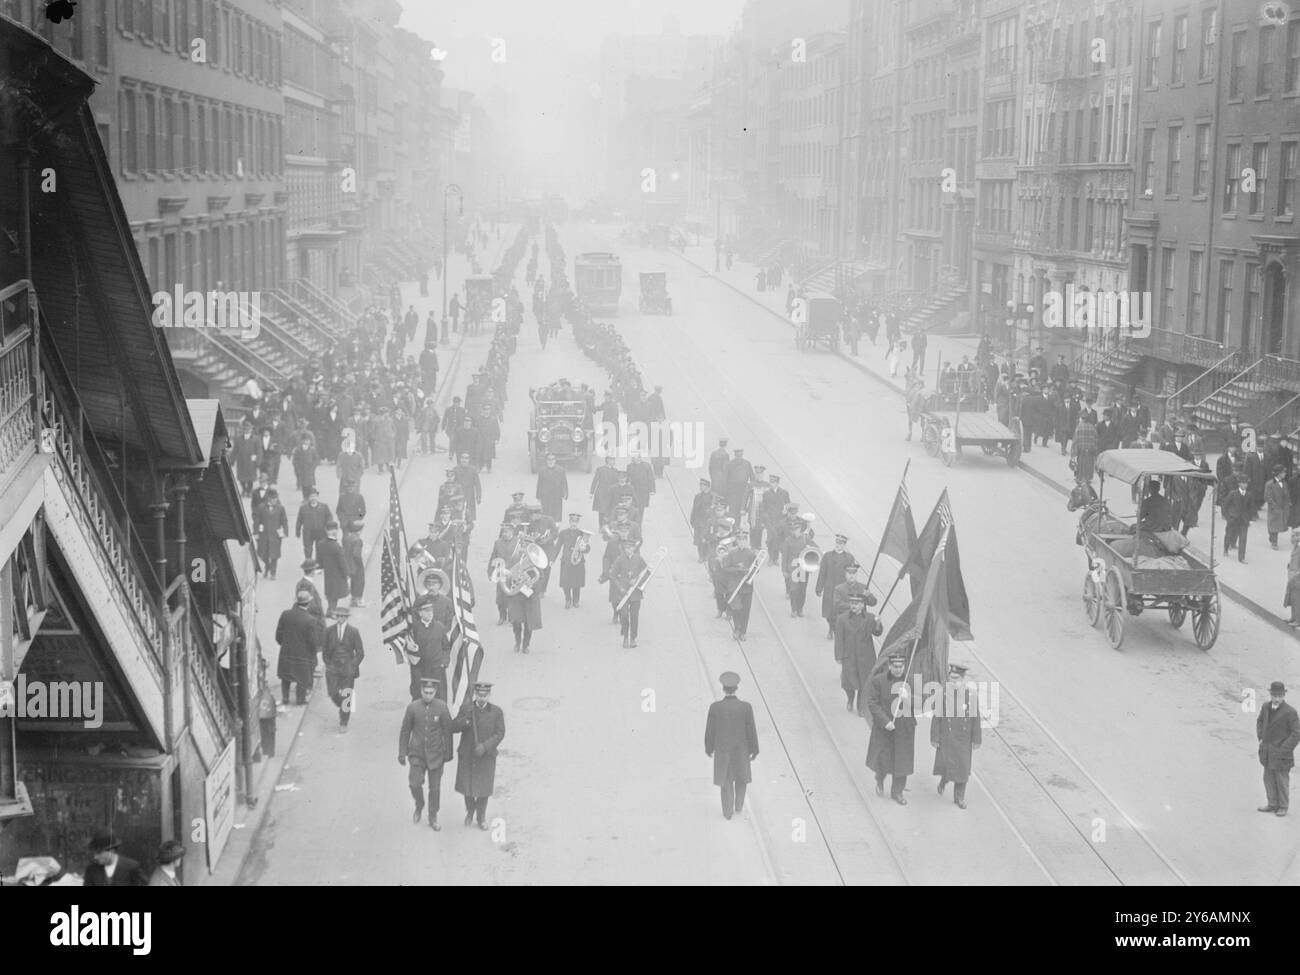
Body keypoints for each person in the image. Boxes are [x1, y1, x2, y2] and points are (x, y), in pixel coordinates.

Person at [398, 678, 455, 829]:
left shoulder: (441, 707)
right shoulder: (412, 708)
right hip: (417, 754)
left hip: (436, 755)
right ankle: (419, 803)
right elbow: (405, 731)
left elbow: (447, 731)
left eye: (431, 693)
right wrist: (402, 752)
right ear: (421, 691)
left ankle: (433, 816)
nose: (428, 695)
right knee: (414, 783)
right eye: (425, 692)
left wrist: (448, 753)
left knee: (435, 789)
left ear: (435, 692)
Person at [704, 671, 759, 820]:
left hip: (723, 751)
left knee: (726, 780)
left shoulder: (715, 707)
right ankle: (739, 806)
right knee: (741, 778)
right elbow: (751, 729)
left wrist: (709, 748)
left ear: (723, 688)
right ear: (736, 688)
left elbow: (710, 730)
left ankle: (727, 812)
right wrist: (754, 749)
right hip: (741, 750)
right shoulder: (746, 707)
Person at [452, 682, 505, 830]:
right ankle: (470, 811)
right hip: (468, 754)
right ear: (475, 694)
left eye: (484, 695)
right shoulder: (467, 709)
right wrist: (465, 721)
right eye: (479, 695)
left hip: (486, 756)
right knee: (467, 786)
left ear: (489, 695)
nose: (481, 698)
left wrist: (485, 746)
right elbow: (453, 727)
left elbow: (500, 733)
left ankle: (481, 816)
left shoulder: (496, 712)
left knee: (483, 788)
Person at [865, 651, 916, 804]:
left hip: (904, 729)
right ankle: (880, 780)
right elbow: (873, 703)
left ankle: (898, 792)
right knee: (883, 758)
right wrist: (885, 721)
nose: (898, 669)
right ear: (889, 665)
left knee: (902, 761)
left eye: (901, 666)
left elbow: (923, 703)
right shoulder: (878, 681)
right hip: (884, 727)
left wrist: (909, 697)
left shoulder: (911, 681)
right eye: (895, 666)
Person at [932, 663, 982, 809]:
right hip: (947, 737)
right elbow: (937, 717)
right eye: (951, 678)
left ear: (963, 679)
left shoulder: (970, 696)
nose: (954, 682)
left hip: (963, 739)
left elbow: (975, 718)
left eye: (957, 678)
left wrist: (976, 739)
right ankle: (944, 780)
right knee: (948, 764)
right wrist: (935, 738)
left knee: (963, 768)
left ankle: (959, 797)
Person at [834, 592, 882, 714]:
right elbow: (839, 639)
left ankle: (861, 707)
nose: (853, 605)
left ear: (862, 605)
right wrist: (839, 656)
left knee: (864, 683)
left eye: (856, 603)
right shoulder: (842, 619)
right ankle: (850, 699)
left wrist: (878, 624)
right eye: (852, 603)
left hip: (865, 657)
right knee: (848, 683)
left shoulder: (870, 618)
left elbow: (877, 632)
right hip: (849, 656)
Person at [1257, 681, 1300, 816]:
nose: (1277, 699)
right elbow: (1260, 721)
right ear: (1270, 694)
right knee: (1268, 778)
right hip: (1267, 752)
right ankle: (1272, 804)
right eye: (1274, 695)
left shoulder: (1290, 712)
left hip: (1282, 754)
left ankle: (1283, 806)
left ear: (1284, 695)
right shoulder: (1265, 707)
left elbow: (1296, 733)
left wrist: (1284, 749)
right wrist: (1261, 737)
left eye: (1280, 696)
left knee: (1281, 780)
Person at [276, 590, 323, 705]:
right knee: (302, 678)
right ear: (308, 603)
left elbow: (278, 635)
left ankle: (285, 698)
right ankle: (300, 699)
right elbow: (313, 641)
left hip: (286, 652)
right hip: (303, 654)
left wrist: (284, 644)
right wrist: (313, 651)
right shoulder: (310, 620)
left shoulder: (285, 614)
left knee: (285, 677)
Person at [322, 606, 364, 729]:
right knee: (332, 693)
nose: (340, 618)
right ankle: (344, 705)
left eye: (342, 616)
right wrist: (328, 664)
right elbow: (324, 650)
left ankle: (344, 722)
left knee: (347, 694)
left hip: (347, 668)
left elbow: (360, 652)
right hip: (333, 667)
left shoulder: (353, 631)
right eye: (338, 616)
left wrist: (352, 665)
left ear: (346, 618)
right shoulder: (329, 631)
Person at [816, 533, 856, 639]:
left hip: (843, 589)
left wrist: (852, 589)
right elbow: (822, 572)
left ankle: (836, 631)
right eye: (837, 542)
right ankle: (830, 629)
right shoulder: (827, 556)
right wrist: (819, 588)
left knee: (840, 611)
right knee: (829, 612)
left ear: (844, 545)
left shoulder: (849, 558)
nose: (838, 545)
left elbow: (852, 574)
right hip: (830, 588)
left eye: (841, 543)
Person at [611, 537, 648, 648]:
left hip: (636, 593)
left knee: (634, 616)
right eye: (626, 548)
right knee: (624, 615)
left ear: (634, 548)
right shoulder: (619, 559)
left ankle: (633, 638)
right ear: (624, 548)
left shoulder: (639, 559)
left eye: (631, 547)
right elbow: (613, 576)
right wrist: (620, 587)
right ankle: (625, 637)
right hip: (623, 593)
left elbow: (646, 573)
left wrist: (637, 580)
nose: (629, 550)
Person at [83, 829, 148, 886]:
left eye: (99, 853)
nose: (95, 857)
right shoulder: (91, 870)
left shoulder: (132, 867)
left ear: (111, 851)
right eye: (94, 853)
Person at [555, 513, 589, 608]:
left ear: (578, 522)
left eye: (576, 521)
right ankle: (568, 599)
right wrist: (552, 559)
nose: (574, 523)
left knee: (576, 582)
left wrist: (584, 549)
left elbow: (587, 547)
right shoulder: (563, 533)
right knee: (565, 582)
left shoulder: (582, 533)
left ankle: (576, 600)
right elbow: (558, 546)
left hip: (578, 561)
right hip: (566, 561)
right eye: (572, 521)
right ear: (569, 522)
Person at [316, 522, 350, 613]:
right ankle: (331, 610)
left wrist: (319, 569)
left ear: (326, 531)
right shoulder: (336, 546)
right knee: (336, 592)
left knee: (330, 591)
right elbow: (342, 562)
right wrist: (346, 573)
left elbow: (318, 559)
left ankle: (331, 609)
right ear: (337, 531)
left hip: (328, 572)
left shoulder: (320, 544)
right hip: (337, 573)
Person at [255, 487, 288, 579]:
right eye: (273, 498)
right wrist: (256, 532)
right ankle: (267, 567)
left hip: (275, 535)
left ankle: (273, 573)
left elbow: (284, 521)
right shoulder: (261, 507)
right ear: (268, 498)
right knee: (262, 553)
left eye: (276, 498)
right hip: (263, 535)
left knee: (274, 554)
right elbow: (257, 520)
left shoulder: (280, 508)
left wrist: (285, 532)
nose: (275, 500)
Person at [294, 487, 332, 561]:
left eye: (314, 496)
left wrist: (328, 526)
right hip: (308, 532)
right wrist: (297, 531)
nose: (313, 498)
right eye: (311, 496)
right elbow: (299, 520)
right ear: (308, 498)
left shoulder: (324, 507)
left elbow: (329, 517)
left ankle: (318, 567)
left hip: (320, 532)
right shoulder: (303, 508)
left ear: (317, 497)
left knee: (320, 550)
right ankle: (309, 566)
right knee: (308, 550)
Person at [1224, 478, 1252, 563]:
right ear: (1239, 484)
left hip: (1243, 521)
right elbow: (1225, 506)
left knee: (1243, 539)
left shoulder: (1249, 495)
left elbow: (1250, 508)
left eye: (1246, 483)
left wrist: (1248, 519)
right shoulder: (1232, 494)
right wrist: (1228, 517)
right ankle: (1225, 548)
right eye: (1243, 483)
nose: (1245, 485)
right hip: (1233, 519)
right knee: (1229, 535)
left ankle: (1241, 557)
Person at [536, 453, 569, 521]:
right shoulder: (542, 470)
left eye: (552, 459)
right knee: (545, 514)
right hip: (545, 497)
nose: (550, 461)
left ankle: (555, 529)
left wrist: (565, 493)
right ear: (546, 460)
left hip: (556, 496)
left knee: (556, 515)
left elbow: (564, 482)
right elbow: (539, 484)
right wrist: (538, 496)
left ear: (555, 460)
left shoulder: (561, 470)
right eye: (549, 459)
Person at [1266, 466, 1291, 549]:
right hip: (1274, 508)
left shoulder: (1284, 483)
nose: (1285, 474)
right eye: (1283, 472)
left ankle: (1272, 537)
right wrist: (1274, 506)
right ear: (1278, 474)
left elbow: (1286, 495)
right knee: (1274, 524)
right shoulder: (1269, 484)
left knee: (1277, 525)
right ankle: (1274, 542)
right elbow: (1268, 497)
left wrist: (1288, 503)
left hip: (1282, 507)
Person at [690, 477, 714, 562]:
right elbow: (694, 509)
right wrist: (692, 520)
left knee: (705, 539)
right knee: (698, 540)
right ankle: (701, 556)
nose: (700, 486)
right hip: (698, 521)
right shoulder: (698, 496)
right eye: (700, 484)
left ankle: (706, 555)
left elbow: (713, 511)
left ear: (707, 486)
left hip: (707, 522)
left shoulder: (712, 497)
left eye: (702, 485)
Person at [1286, 530, 1300, 628]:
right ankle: (1293, 617)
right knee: (1292, 596)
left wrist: (1297, 574)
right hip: (1292, 574)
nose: (1291, 538)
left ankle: (1298, 619)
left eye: (1294, 536)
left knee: (1297, 598)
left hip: (1297, 577)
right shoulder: (1295, 546)